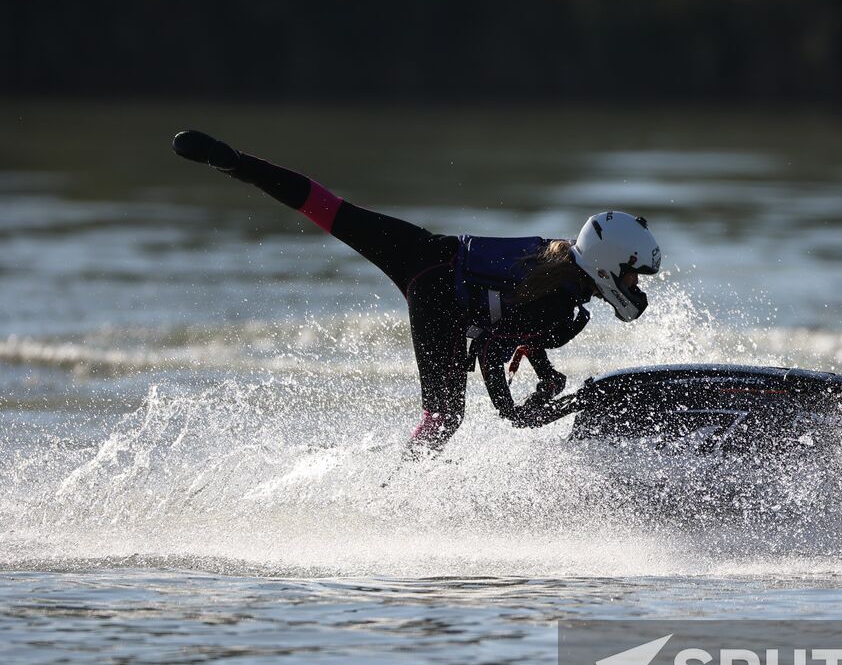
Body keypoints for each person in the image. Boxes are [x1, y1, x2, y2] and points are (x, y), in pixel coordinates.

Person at [172, 130, 662, 452]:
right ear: (608, 266)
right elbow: (492, 348)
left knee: (329, 208)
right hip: (440, 299)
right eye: (633, 276)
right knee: (445, 418)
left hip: (426, 250)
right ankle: (400, 492)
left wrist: (544, 373)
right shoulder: (564, 309)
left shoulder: (558, 258)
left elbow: (513, 317)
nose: (635, 288)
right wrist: (517, 412)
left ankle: (235, 162)